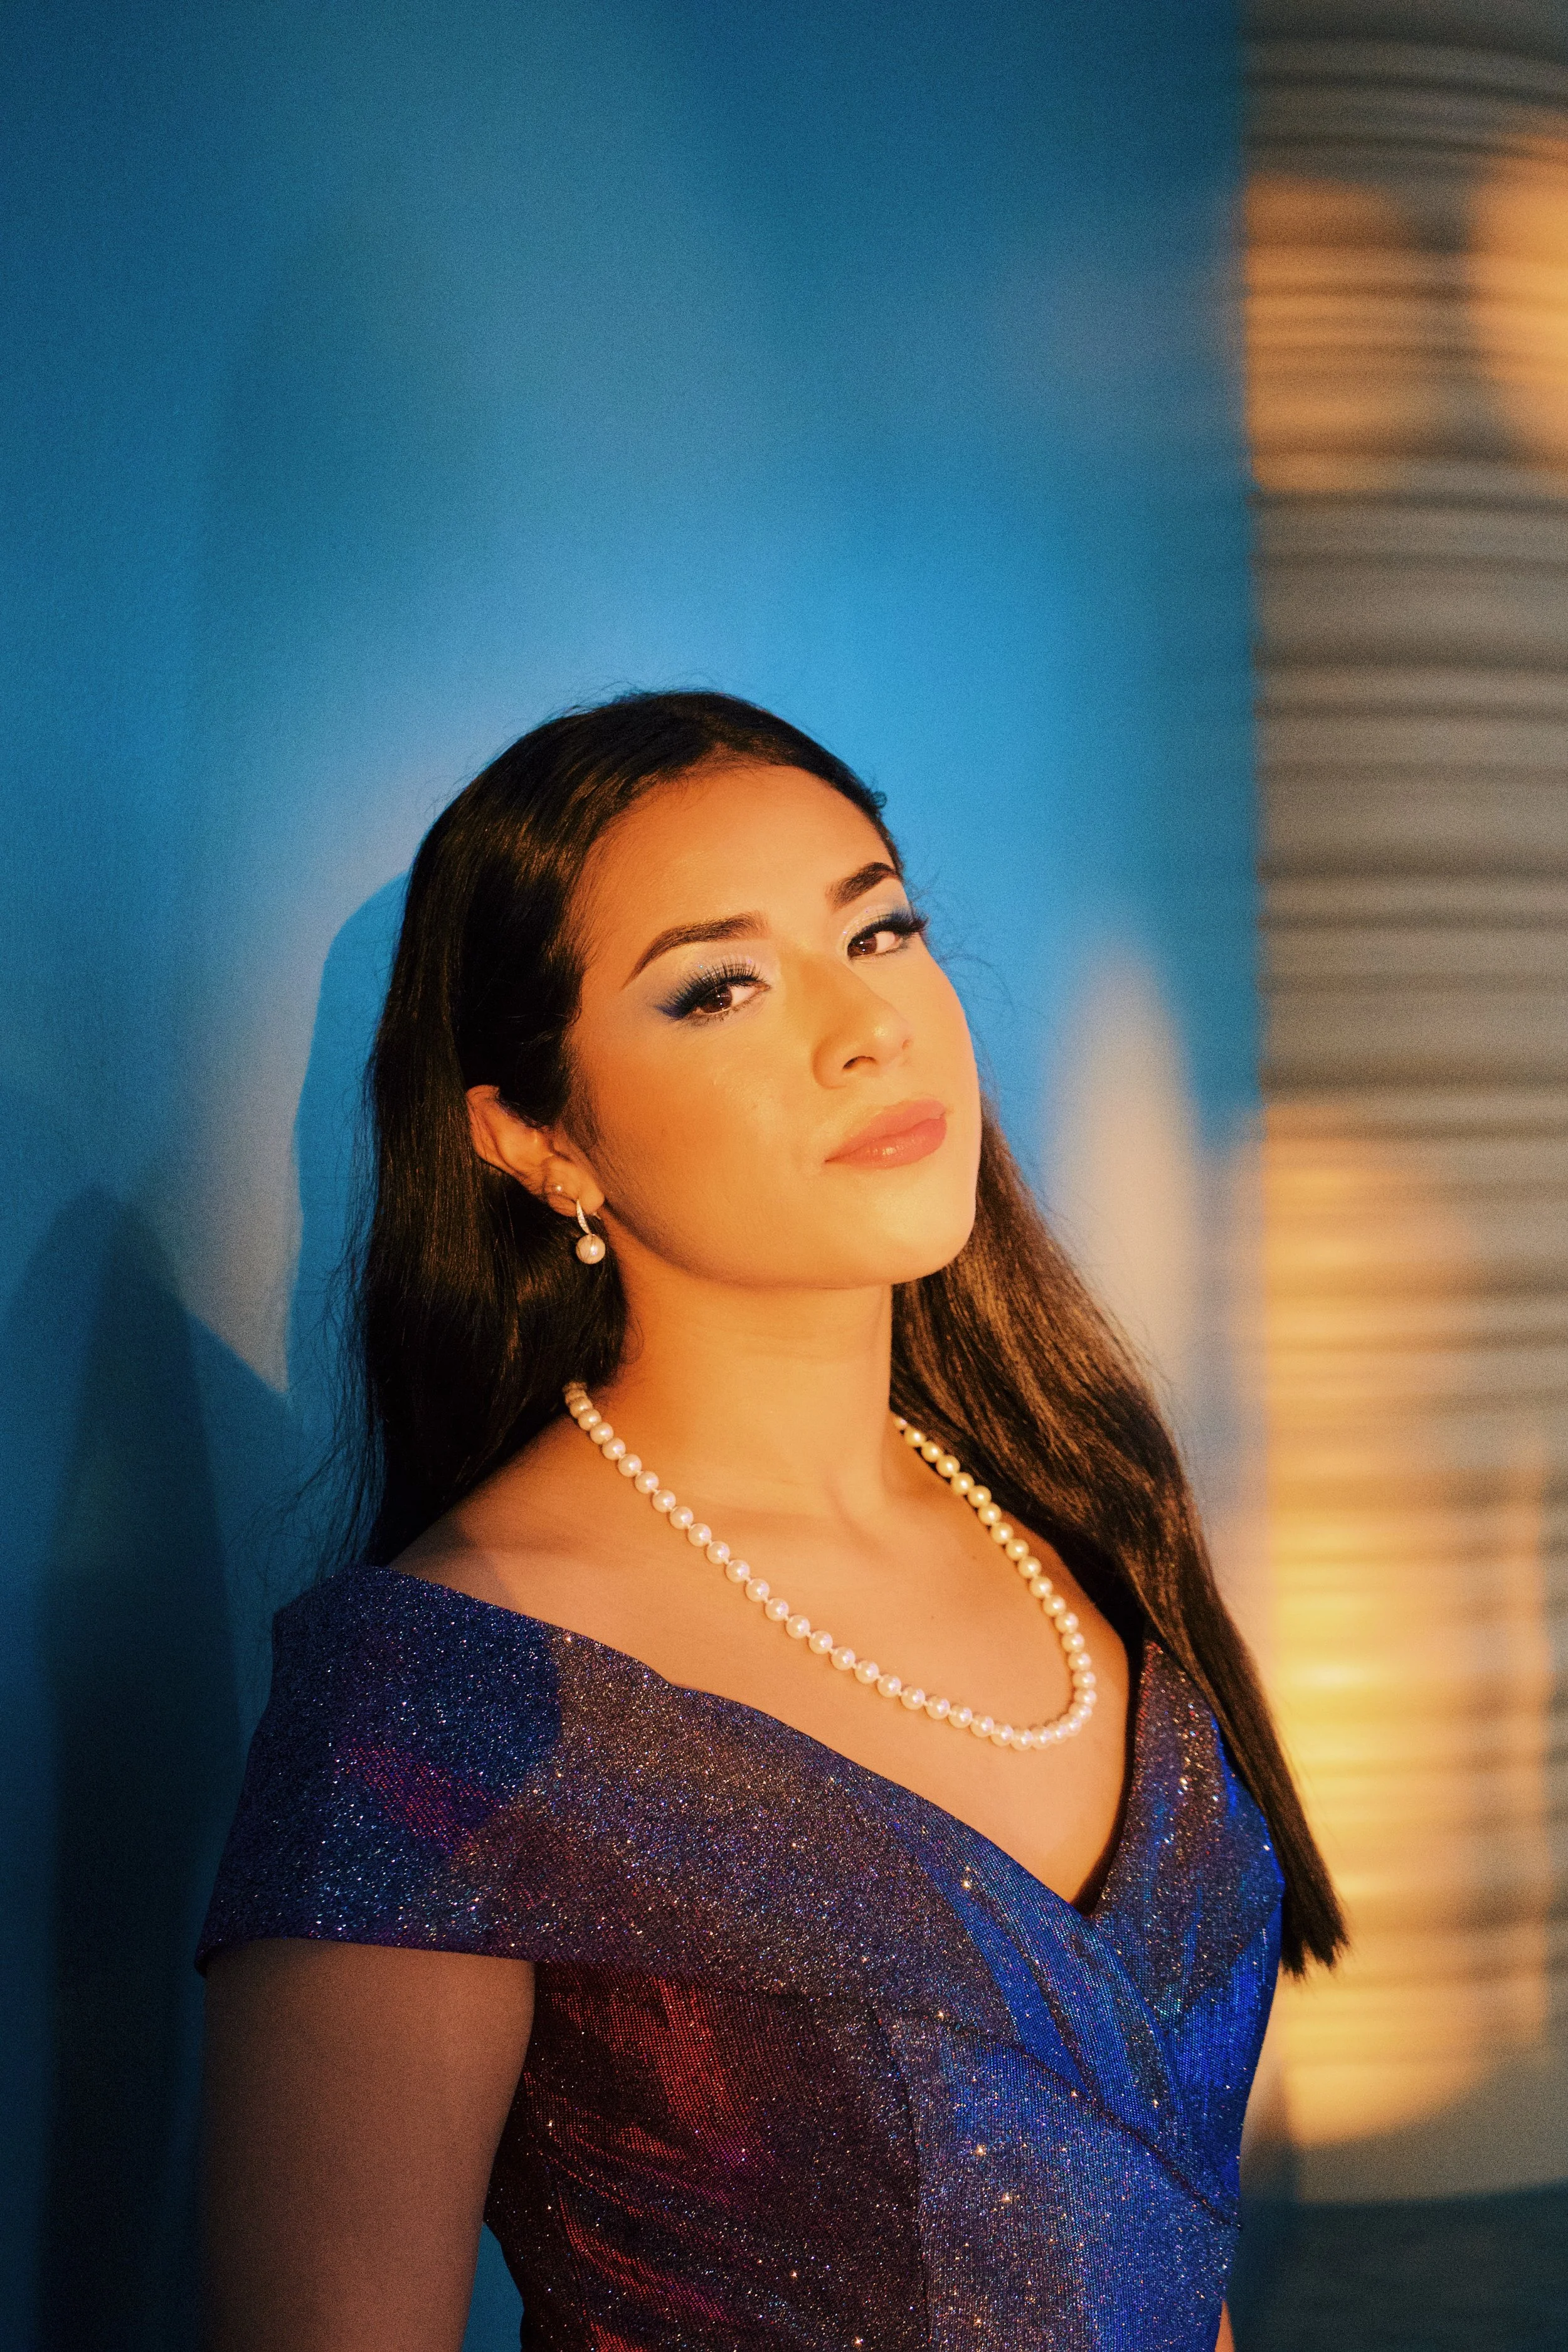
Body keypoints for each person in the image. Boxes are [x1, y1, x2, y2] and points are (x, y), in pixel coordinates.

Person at [198, 690, 1342, 2351]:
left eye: (877, 928)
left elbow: (1150, 2251)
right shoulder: (447, 1687)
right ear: (535, 1138)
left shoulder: (1074, 1532)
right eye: (717, 983)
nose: (866, 1024)